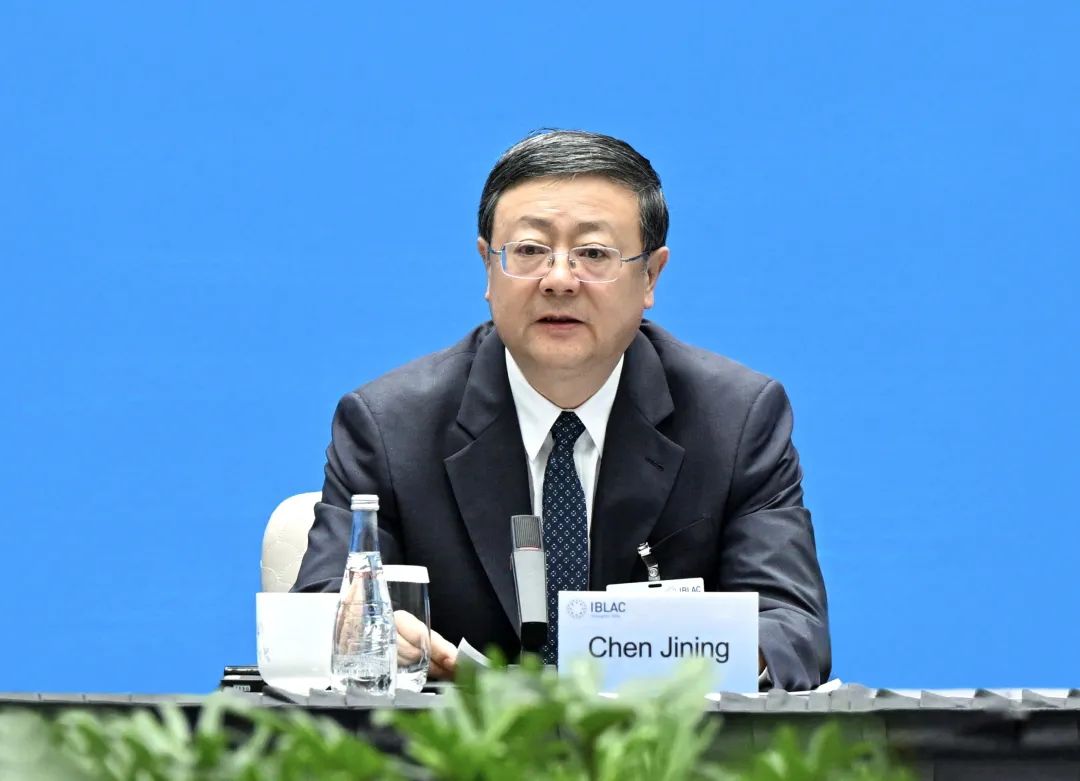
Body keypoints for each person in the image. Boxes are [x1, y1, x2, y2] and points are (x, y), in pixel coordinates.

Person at [293, 130, 830, 690]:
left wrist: (689, 654)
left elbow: (792, 631)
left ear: (650, 276)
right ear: (488, 266)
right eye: (529, 251)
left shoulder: (735, 420)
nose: (558, 280)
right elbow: (321, 611)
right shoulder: (389, 426)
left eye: (593, 254)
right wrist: (371, 635)